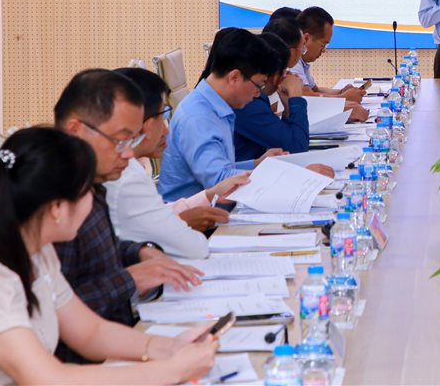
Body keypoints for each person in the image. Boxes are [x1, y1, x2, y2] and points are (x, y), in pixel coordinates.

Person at [0, 128, 218, 385]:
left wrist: (170, 348)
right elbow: (48, 379)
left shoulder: (36, 251)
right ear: (56, 208)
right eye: (87, 190)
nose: (94, 200)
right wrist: (173, 370)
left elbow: (91, 332)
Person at [53, 70, 202, 362]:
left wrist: (139, 251)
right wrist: (129, 279)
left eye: (132, 141)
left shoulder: (93, 183)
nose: (129, 154)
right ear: (76, 131)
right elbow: (54, 311)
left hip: (116, 339)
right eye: (121, 141)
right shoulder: (51, 202)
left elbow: (103, 247)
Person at [105, 68, 248, 259]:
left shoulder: (133, 165)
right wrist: (182, 223)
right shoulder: (126, 175)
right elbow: (194, 248)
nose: (166, 131)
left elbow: (155, 215)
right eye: (163, 117)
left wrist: (209, 195)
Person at [158, 28, 285, 201]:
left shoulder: (213, 105)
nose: (258, 94)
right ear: (234, 77)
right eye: (259, 85)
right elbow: (220, 182)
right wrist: (287, 178)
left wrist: (256, 164)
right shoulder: (199, 117)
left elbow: (221, 169)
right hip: (191, 215)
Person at [234, 22, 310, 162]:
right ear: (275, 75)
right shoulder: (249, 103)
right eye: (284, 72)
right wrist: (296, 98)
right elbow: (297, 148)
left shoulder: (256, 98)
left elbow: (286, 141)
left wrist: (288, 109)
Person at [290, 7, 368, 121]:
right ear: (306, 38)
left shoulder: (302, 61)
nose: (324, 51)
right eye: (323, 45)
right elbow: (306, 96)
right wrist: (342, 99)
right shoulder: (292, 60)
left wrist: (341, 92)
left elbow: (314, 90)